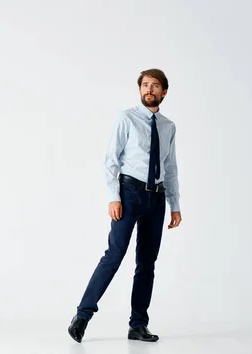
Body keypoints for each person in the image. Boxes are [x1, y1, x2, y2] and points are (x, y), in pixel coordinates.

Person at [68, 68, 182, 343]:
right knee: (114, 254)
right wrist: (114, 197)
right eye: (145, 85)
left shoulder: (168, 126)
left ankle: (138, 325)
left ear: (164, 92)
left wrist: (174, 204)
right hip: (129, 193)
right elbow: (111, 159)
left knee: (147, 263)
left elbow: (170, 166)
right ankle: (83, 315)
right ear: (140, 89)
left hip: (156, 198)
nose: (149, 90)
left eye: (155, 86)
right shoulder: (127, 118)